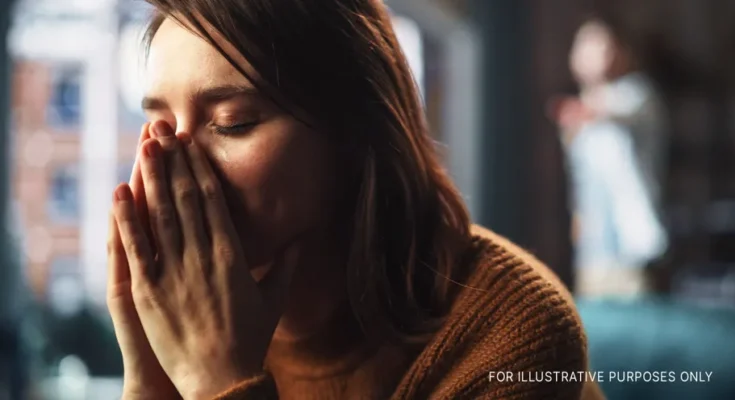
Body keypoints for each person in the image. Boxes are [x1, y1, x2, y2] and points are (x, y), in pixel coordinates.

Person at [107, 1, 599, 399]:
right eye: (161, 130)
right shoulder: (180, 316)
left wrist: (218, 380)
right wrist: (150, 386)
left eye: (233, 122)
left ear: (355, 133)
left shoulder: (509, 338)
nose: (176, 170)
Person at [552, 17, 668, 297]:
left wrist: (579, 112)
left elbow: (608, 108)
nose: (598, 55)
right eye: (588, 47)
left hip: (631, 248)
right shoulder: (579, 116)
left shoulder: (637, 95)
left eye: (605, 47)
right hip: (593, 252)